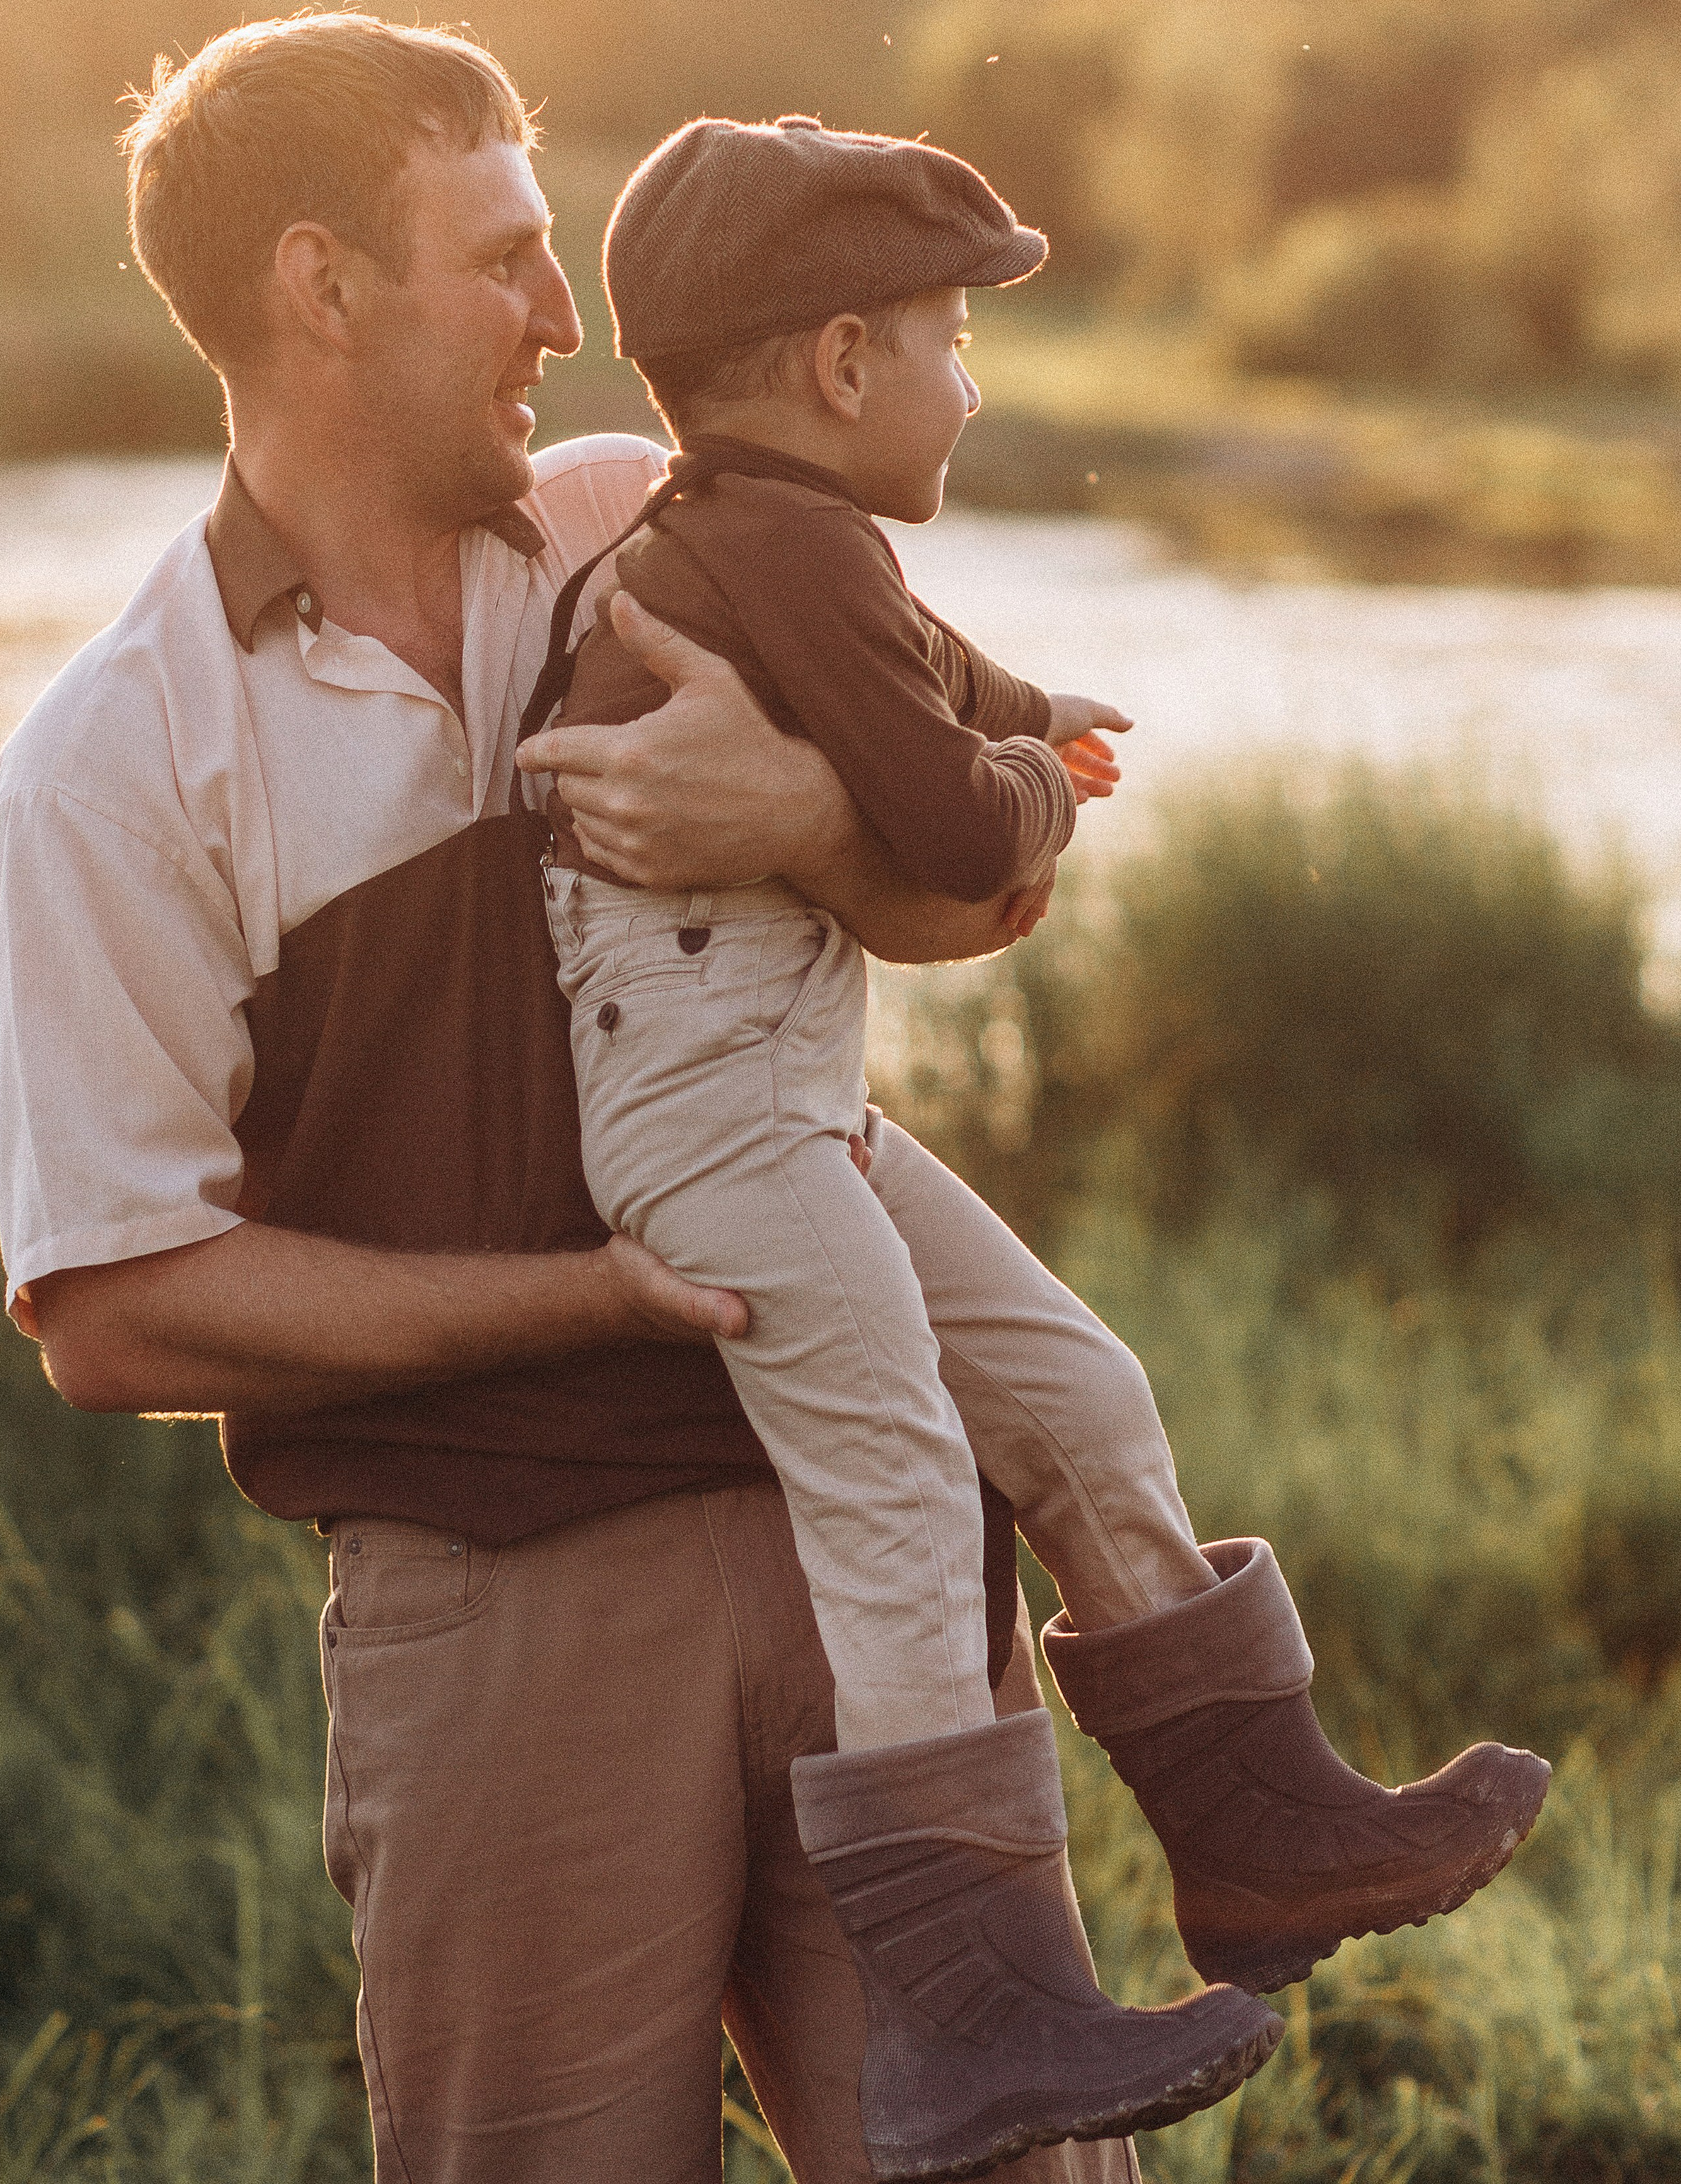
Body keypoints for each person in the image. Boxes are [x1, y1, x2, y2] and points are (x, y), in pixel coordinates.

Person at [0, 12, 1185, 2184]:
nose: (570, 319)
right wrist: (594, 1304)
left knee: (1020, 2171)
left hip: (859, 1532)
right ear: (320, 291)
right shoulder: (115, 763)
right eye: (508, 258)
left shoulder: (656, 524)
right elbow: (114, 1314)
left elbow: (974, 875)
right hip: (499, 1618)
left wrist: (804, 811)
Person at [520, 113, 1554, 2182]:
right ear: (836, 364)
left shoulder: (778, 541)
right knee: (903, 1485)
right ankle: (967, 2017)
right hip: (709, 1122)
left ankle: (1258, 1834)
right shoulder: (774, 552)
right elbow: (937, 809)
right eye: (945, 342)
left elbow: (922, 679)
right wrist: (1038, 791)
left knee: (1080, 1388)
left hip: (778, 1097)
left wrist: (1024, 700)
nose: (970, 387)